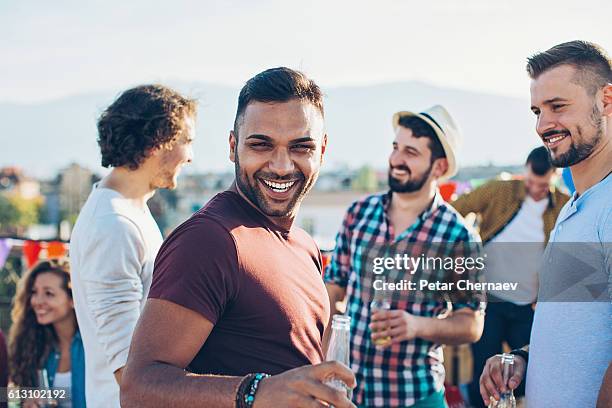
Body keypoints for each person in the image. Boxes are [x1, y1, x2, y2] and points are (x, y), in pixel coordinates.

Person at [120, 67, 356, 408]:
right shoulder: (208, 240)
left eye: (300, 147)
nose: (281, 165)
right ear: (233, 146)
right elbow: (139, 389)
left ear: (322, 151)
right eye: (261, 145)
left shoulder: (304, 245)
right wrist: (256, 391)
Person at [479, 40, 612, 407]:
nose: (543, 125)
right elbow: (579, 330)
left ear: (606, 99)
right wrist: (523, 359)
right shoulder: (575, 208)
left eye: (558, 106)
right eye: (537, 110)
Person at [324, 106, 485, 407]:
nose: (396, 160)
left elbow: (471, 324)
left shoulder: (458, 237)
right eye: (396, 147)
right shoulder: (358, 214)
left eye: (411, 152)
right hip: (347, 394)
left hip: (416, 396)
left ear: (438, 167)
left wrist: (416, 325)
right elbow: (333, 290)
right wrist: (323, 361)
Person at [69, 85, 197, 408]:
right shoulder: (113, 225)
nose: (190, 156)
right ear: (158, 142)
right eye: (187, 141)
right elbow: (128, 369)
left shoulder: (130, 210)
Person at [451, 146, 569, 407]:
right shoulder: (500, 190)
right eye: (531, 182)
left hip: (528, 304)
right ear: (524, 172)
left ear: (555, 176)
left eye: (542, 185)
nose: (535, 189)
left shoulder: (562, 205)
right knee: (483, 373)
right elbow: (454, 210)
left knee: (533, 371)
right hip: (489, 303)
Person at [8, 258, 85, 407]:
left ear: (73, 299)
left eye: (49, 294)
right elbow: (13, 396)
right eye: (34, 292)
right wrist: (28, 403)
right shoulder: (33, 344)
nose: (37, 300)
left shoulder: (93, 344)